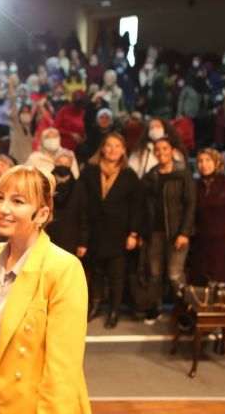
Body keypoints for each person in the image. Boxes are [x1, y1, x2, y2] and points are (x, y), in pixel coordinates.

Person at [0, 165, 91, 414]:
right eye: (0, 197)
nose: (2, 209)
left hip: (29, 405)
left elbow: (62, 371)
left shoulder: (63, 268)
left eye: (17, 201)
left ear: (42, 214)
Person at [81, 133, 143, 329]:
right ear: (102, 148)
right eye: (109, 145)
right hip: (95, 232)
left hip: (119, 234)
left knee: (117, 277)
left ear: (123, 150)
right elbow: (82, 204)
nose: (113, 150)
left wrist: (133, 233)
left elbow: (137, 207)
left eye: (117, 146)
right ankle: (95, 305)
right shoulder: (89, 171)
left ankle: (115, 310)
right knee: (96, 273)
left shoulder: (129, 175)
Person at [140, 137, 195, 324]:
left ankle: (186, 311)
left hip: (176, 232)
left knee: (174, 274)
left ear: (173, 150)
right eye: (157, 149)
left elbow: (190, 205)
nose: (161, 152)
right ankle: (155, 308)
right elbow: (144, 206)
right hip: (154, 232)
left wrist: (184, 232)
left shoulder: (183, 174)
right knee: (154, 273)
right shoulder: (150, 175)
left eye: (165, 148)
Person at [190, 148, 225, 288]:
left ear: (217, 162)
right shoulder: (195, 185)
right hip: (202, 243)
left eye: (208, 160)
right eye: (200, 161)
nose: (204, 164)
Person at [46, 151, 88, 258]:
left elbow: (83, 215)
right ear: (54, 163)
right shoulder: (46, 185)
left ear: (71, 165)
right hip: (48, 236)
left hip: (71, 238)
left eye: (66, 163)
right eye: (60, 162)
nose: (63, 166)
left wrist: (83, 242)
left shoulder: (79, 187)